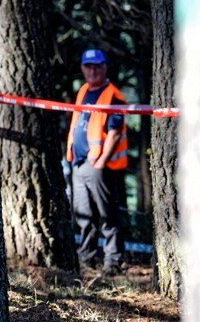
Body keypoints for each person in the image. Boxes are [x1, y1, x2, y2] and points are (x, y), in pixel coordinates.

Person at [67, 48, 128, 274]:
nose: (92, 70)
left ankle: (113, 263)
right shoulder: (83, 90)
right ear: (83, 68)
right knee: (84, 215)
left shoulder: (114, 96)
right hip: (79, 163)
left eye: (97, 66)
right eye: (88, 66)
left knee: (107, 215)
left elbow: (115, 132)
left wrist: (101, 162)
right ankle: (87, 259)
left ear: (105, 67)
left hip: (100, 166)